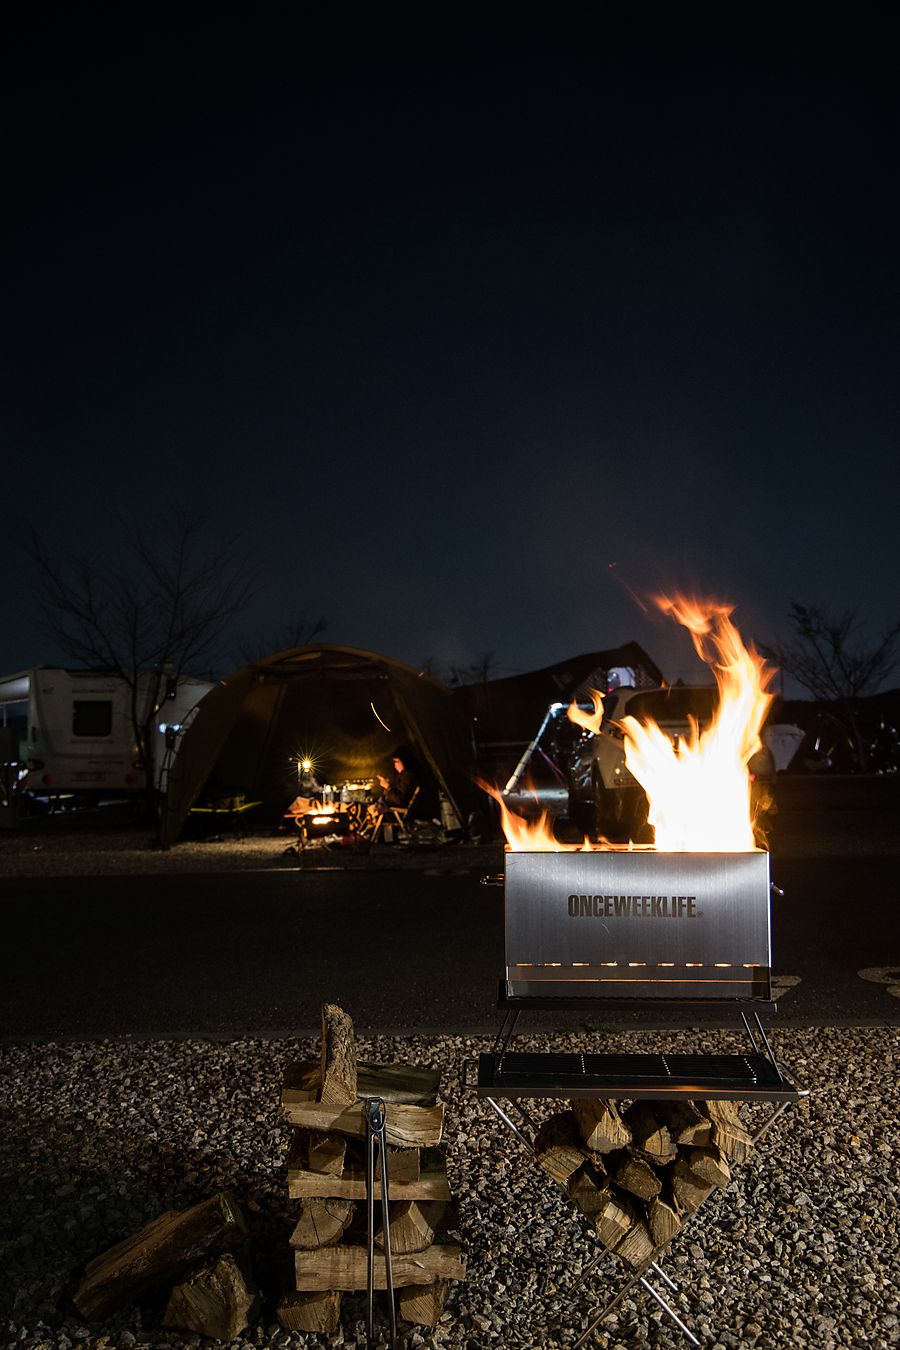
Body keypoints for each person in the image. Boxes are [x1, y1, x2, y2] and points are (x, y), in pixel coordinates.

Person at [372, 746, 419, 814]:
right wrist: (388, 786)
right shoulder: (403, 775)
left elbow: (400, 800)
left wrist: (387, 787)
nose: (395, 766)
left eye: (396, 762)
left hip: (395, 812)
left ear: (404, 761)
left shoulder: (409, 777)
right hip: (389, 806)